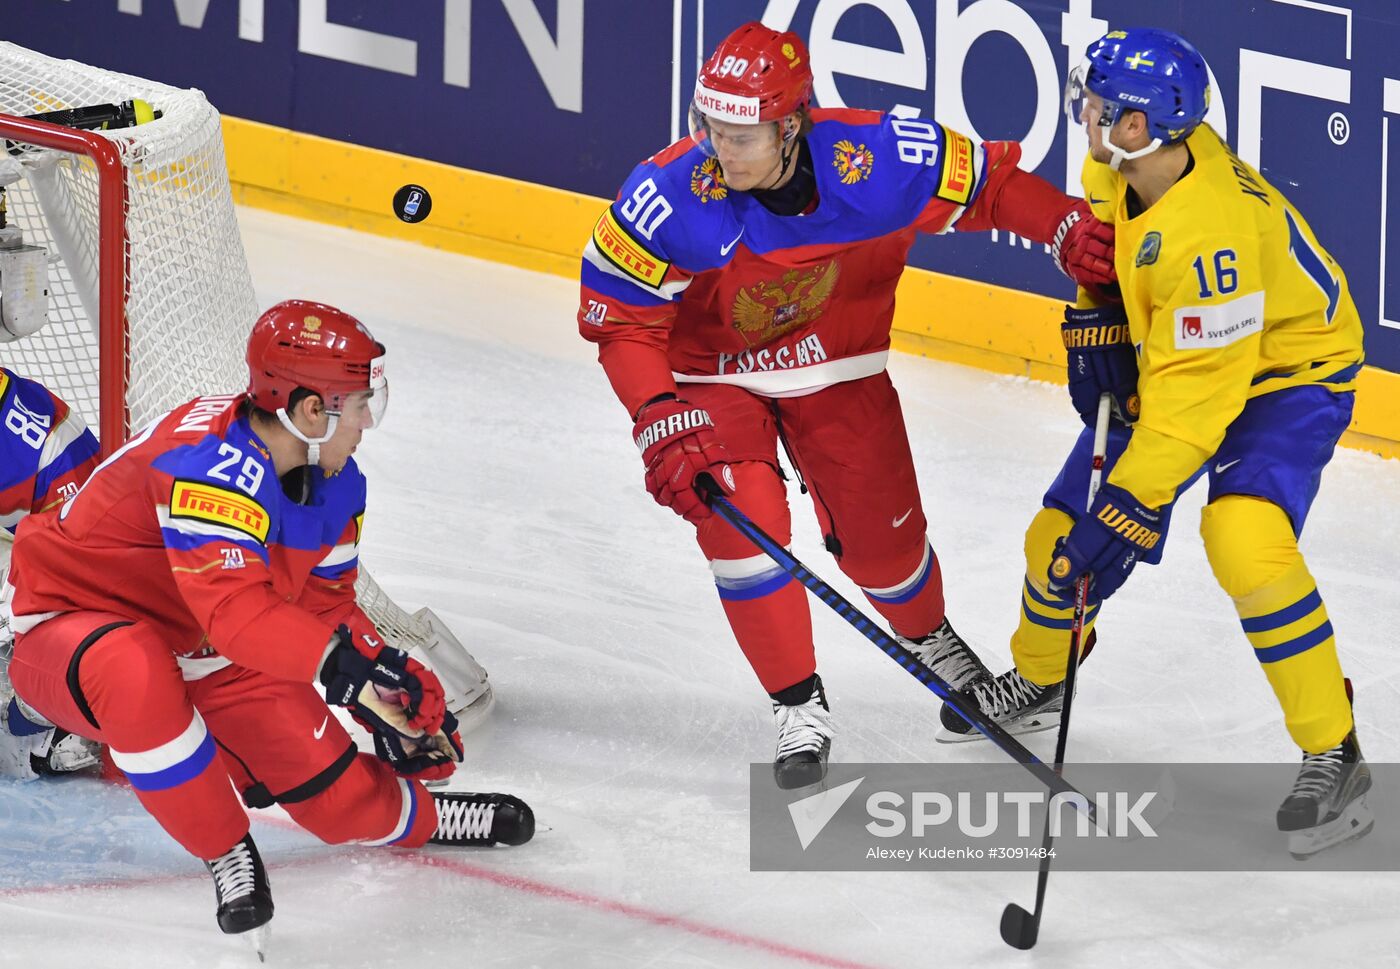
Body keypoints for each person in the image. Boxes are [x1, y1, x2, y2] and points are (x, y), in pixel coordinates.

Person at [576, 21, 1117, 789]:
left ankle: (930, 637)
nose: (717, 151)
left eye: (741, 134)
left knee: (883, 546)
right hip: (709, 376)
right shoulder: (668, 195)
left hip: (839, 361)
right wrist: (656, 411)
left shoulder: (880, 158)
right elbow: (621, 316)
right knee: (743, 519)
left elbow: (990, 188)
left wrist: (1061, 224)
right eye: (709, 128)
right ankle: (798, 702)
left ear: (792, 124)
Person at [941, 28, 1370, 858]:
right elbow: (1109, 234)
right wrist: (1097, 303)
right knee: (1053, 543)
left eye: (1102, 106)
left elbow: (1190, 416)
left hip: (1288, 371)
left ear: (1140, 126)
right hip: (1188, 353)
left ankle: (1335, 749)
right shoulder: (1127, 161)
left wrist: (1127, 509)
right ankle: (1044, 675)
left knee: (1244, 537)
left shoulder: (1212, 238)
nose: (1087, 114)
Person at [3, 300, 534, 951]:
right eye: (360, 403)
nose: (368, 420)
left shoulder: (334, 481)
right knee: (132, 668)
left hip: (208, 652)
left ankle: (426, 815)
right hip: (72, 627)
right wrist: (353, 676)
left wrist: (387, 682)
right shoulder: (207, 467)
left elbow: (325, 604)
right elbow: (236, 616)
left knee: (337, 800)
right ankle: (225, 848)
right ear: (311, 410)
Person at [0, 365, 102, 778]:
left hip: (64, 564)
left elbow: (79, 568)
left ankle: (70, 718)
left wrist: (33, 704)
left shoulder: (27, 451)